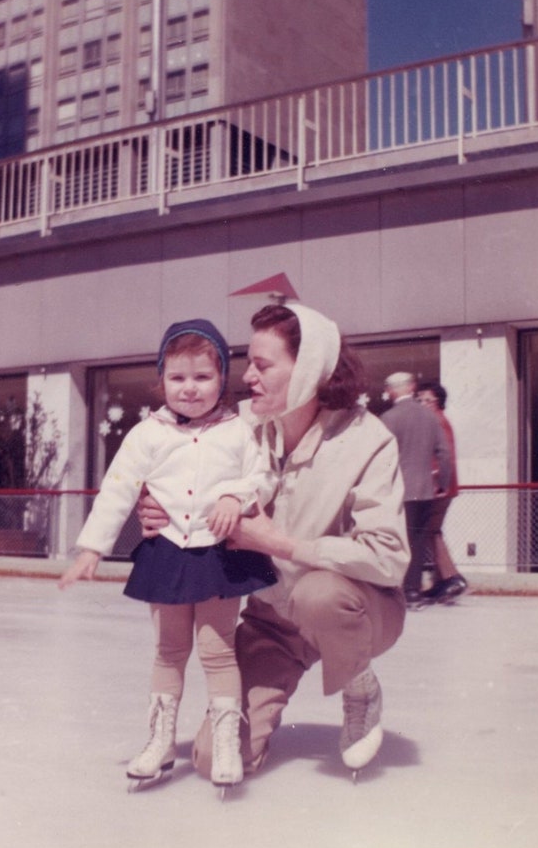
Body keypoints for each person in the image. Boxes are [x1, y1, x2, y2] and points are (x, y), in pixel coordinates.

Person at [140, 302, 410, 782]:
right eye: (249, 364)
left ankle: (359, 682)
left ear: (307, 370)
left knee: (318, 594)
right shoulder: (233, 425)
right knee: (211, 759)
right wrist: (154, 506)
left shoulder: (369, 440)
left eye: (263, 366)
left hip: (356, 607)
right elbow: (164, 455)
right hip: (272, 622)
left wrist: (281, 544)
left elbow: (389, 558)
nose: (247, 378)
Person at [59, 319, 277, 791]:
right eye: (178, 378)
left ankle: (225, 742)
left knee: (217, 652)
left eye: (202, 377)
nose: (190, 389)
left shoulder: (241, 430)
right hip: (168, 551)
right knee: (169, 650)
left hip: (219, 555)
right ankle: (160, 740)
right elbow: (118, 489)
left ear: (223, 378)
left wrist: (235, 497)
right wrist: (93, 547)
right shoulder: (147, 433)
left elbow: (263, 476)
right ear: (161, 380)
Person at [381, 372, 452, 608]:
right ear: (411, 388)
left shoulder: (388, 419)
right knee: (419, 540)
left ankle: (399, 590)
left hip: (399, 490)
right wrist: (443, 481)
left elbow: (380, 457)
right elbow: (443, 452)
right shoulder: (430, 417)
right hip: (425, 490)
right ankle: (413, 590)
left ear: (391, 391)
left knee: (399, 541)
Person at [416, 380, 468, 603]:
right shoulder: (437, 420)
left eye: (428, 400)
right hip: (442, 486)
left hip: (439, 487)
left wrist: (437, 479)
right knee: (431, 530)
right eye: (420, 400)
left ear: (438, 402)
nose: (423, 404)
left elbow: (444, 454)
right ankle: (441, 582)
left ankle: (452, 578)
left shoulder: (437, 421)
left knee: (430, 531)